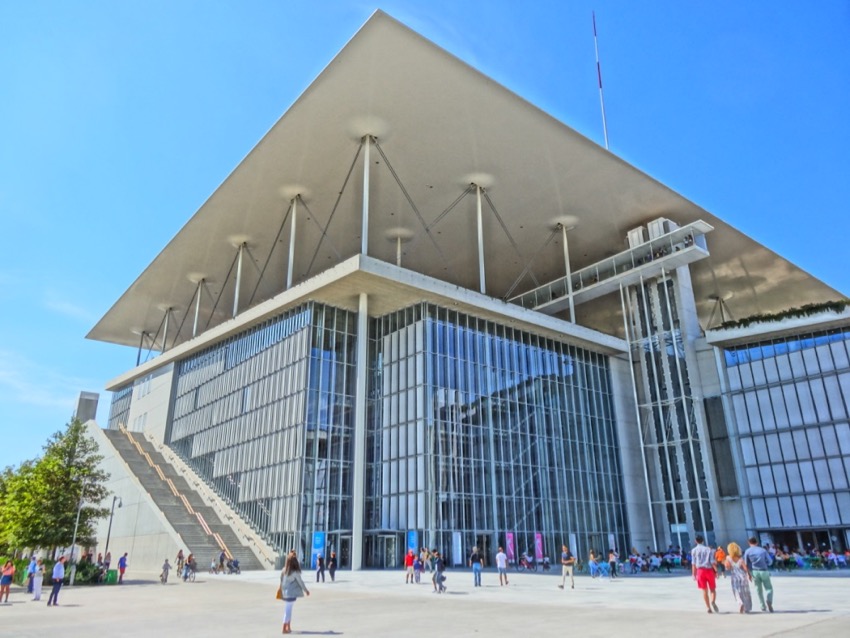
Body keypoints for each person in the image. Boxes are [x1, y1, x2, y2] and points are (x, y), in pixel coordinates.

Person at [279, 553, 310, 634]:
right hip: (291, 594)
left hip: (284, 593)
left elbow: (281, 581)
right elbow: (300, 582)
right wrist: (306, 590)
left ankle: (288, 627)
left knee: (288, 610)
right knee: (288, 611)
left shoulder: (284, 569)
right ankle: (284, 628)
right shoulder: (295, 572)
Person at [744, 537, 774, 612]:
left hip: (754, 571)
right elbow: (770, 561)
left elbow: (746, 564)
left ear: (749, 543)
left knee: (758, 590)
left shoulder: (747, 551)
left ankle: (762, 606)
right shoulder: (763, 550)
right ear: (756, 542)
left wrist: (748, 574)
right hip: (764, 570)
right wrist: (765, 564)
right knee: (769, 588)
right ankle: (769, 600)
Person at [691, 534, 719, 614]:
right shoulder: (708, 549)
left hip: (700, 571)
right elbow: (712, 562)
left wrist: (693, 574)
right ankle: (713, 601)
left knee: (704, 590)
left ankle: (708, 607)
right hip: (709, 570)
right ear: (703, 541)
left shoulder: (694, 550)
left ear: (696, 541)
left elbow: (693, 563)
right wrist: (716, 571)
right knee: (712, 589)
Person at [724, 542, 752, 614]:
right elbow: (745, 568)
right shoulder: (740, 558)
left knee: (736, 591)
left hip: (735, 576)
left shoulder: (728, 558)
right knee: (744, 592)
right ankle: (746, 607)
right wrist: (749, 575)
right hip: (742, 576)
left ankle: (740, 603)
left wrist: (726, 565)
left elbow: (728, 567)